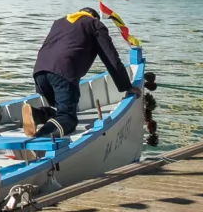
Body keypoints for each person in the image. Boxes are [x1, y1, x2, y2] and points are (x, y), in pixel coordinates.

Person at [29, 8, 130, 136]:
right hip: (62, 73)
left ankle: (37, 114)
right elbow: (111, 58)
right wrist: (126, 86)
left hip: (39, 72)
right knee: (67, 119)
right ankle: (39, 137)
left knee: (62, 109)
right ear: (95, 17)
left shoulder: (59, 22)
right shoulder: (95, 24)